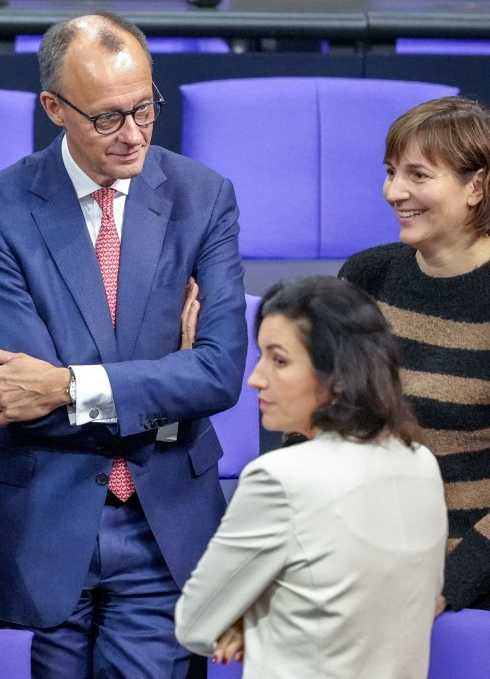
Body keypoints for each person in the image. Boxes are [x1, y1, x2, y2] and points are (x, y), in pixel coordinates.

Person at [0, 12, 247, 677]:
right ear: (54, 108)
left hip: (162, 530)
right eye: (108, 118)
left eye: (145, 109)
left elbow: (221, 373)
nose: (134, 134)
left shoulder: (205, 199)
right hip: (37, 528)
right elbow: (14, 392)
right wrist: (167, 374)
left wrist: (68, 384)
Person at [338, 96, 490, 678]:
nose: (393, 191)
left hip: (474, 591)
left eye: (417, 175)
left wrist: (447, 583)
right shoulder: (364, 278)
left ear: (477, 186)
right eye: (390, 171)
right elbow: (320, 425)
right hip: (357, 576)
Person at [174, 276, 447, 678]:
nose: (256, 378)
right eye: (261, 356)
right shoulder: (421, 462)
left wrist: (249, 620)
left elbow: (195, 623)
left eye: (279, 360)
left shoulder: (280, 478)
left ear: (337, 374)